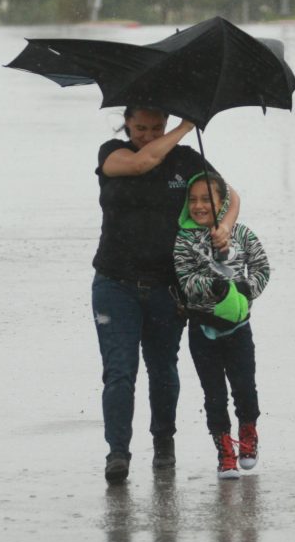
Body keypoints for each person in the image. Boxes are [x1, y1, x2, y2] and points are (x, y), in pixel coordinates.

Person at [94, 106, 240, 485]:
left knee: (163, 369)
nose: (148, 133)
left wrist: (223, 225)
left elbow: (229, 195)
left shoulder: (186, 161)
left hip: (167, 285)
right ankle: (118, 452)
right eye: (140, 127)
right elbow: (143, 162)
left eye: (155, 126)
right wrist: (184, 126)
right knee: (119, 372)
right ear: (126, 123)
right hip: (115, 283)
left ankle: (163, 443)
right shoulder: (112, 152)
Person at [173, 172, 269, 479]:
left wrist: (245, 288)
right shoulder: (184, 239)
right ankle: (224, 452)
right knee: (213, 394)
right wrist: (213, 286)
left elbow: (262, 267)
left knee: (245, 387)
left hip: (239, 330)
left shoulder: (241, 233)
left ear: (223, 202)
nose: (199, 206)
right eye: (193, 200)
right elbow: (185, 281)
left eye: (207, 199)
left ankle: (248, 434)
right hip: (202, 330)